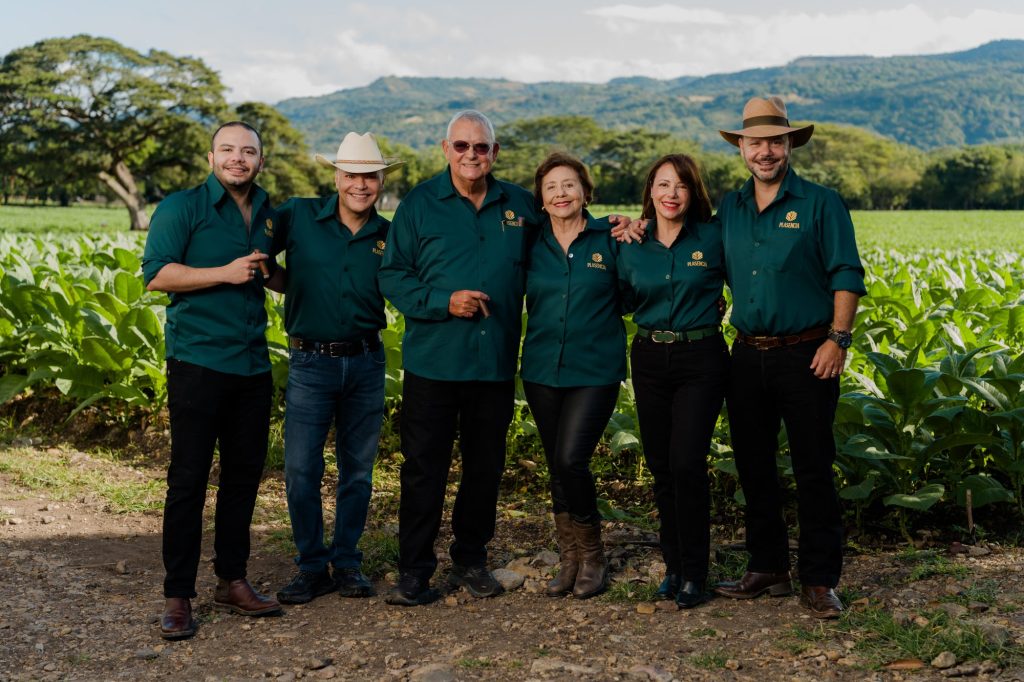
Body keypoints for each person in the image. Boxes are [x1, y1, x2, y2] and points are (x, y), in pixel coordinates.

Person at [712, 97, 866, 619]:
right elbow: (691, 252)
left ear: (789, 145)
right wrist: (631, 227)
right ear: (742, 149)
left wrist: (837, 339)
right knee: (753, 466)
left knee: (813, 468)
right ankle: (768, 566)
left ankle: (820, 579)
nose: (766, 151)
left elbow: (847, 273)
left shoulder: (822, 203)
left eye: (776, 141)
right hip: (746, 354)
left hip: (807, 352)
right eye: (756, 142)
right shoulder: (730, 207)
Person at [377, 110, 537, 606]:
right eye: (462, 146)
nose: (472, 155)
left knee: (484, 468)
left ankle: (471, 558)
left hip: (493, 364)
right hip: (433, 364)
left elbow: (566, 242)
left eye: (481, 147)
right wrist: (442, 302)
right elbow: (394, 275)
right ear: (445, 150)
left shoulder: (522, 206)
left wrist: (620, 228)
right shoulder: (420, 205)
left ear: (495, 153)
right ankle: (415, 568)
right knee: (424, 468)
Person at [143, 121, 283, 640]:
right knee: (188, 480)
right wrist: (222, 273)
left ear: (260, 161)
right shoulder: (182, 207)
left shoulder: (270, 213)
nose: (238, 159)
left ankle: (232, 579)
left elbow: (275, 275)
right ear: (211, 157)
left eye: (248, 151)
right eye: (228, 150)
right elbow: (157, 273)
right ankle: (178, 594)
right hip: (198, 361)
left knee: (244, 477)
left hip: (252, 364)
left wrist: (281, 278)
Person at [265, 133, 402, 604]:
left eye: (370, 176)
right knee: (301, 468)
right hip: (309, 363)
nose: (360, 185)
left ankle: (346, 562)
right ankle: (309, 564)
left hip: (366, 361)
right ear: (336, 177)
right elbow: (257, 250)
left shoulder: (389, 234)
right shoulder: (298, 215)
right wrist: (288, 284)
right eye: (351, 175)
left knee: (357, 472)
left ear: (381, 181)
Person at [617, 154, 729, 609]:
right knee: (661, 465)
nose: (671, 194)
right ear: (650, 191)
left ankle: (696, 573)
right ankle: (673, 567)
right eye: (663, 185)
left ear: (693, 192)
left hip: (700, 356)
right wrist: (618, 224)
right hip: (647, 357)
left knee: (686, 462)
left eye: (681, 185)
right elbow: (617, 297)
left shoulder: (714, 236)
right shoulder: (630, 243)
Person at [520, 153, 626, 600]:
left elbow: (645, 287)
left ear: (585, 192)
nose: (561, 194)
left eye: (569, 185)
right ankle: (569, 560)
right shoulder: (528, 242)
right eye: (551, 188)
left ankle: (594, 555)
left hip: (595, 368)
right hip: (543, 367)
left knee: (570, 459)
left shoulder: (613, 238)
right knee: (556, 467)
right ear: (541, 200)